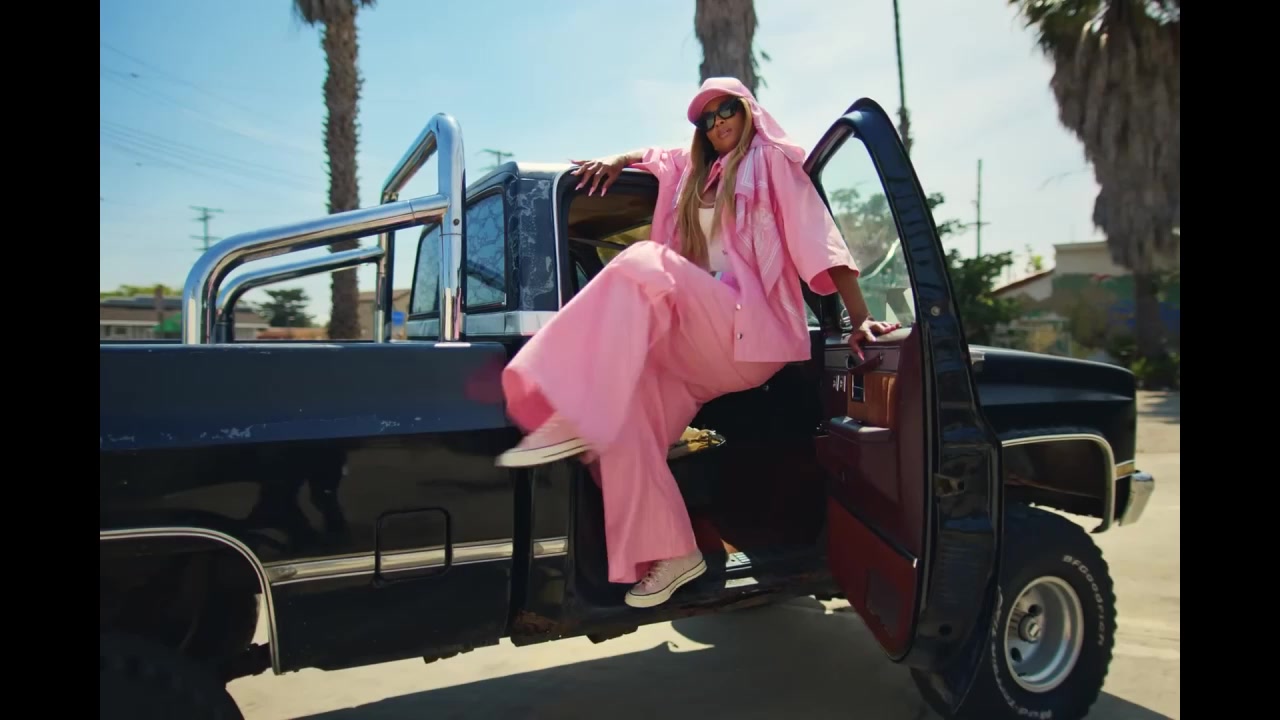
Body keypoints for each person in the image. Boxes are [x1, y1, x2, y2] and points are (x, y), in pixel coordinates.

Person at [495, 77, 900, 609]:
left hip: (750, 329)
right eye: (705, 119)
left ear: (748, 110)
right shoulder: (695, 172)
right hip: (697, 342)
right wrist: (621, 159)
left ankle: (569, 401)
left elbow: (815, 234)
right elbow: (658, 155)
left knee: (643, 264)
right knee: (617, 434)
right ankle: (673, 552)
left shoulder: (770, 161)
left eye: (725, 109)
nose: (717, 122)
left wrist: (860, 317)